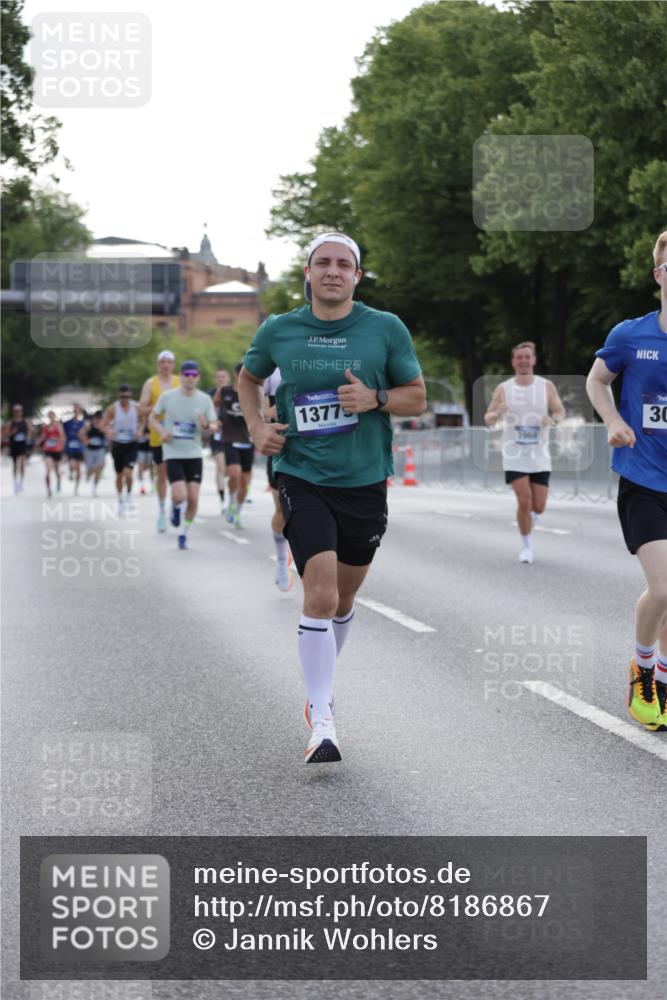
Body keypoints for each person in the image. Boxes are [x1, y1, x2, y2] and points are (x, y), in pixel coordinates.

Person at [238, 231, 426, 763]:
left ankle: (320, 685)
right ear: (308, 272)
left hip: (364, 480)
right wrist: (257, 427)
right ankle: (322, 718)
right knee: (318, 596)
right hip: (300, 473)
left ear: (357, 276)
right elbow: (247, 379)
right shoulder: (280, 329)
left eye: (344, 264)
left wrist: (376, 397)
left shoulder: (384, 329)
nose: (333, 271)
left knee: (343, 600)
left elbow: (416, 397)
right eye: (323, 262)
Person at [586, 230, 667, 732]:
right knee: (664, 588)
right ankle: (641, 669)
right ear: (659, 275)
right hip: (643, 478)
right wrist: (614, 422)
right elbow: (597, 380)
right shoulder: (631, 335)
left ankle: (662, 678)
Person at [484, 342, 565, 563]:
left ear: (534, 360)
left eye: (527, 357)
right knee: (524, 501)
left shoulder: (546, 386)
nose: (523, 361)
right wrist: (497, 414)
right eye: (519, 357)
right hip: (513, 453)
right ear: (513, 361)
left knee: (539, 506)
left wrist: (553, 419)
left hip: (539, 453)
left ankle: (530, 520)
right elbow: (488, 418)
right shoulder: (504, 388)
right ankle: (526, 545)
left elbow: (559, 411)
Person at [150, 359, 218, 550]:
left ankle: (183, 533)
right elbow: (152, 418)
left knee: (193, 498)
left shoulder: (204, 399)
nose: (190, 379)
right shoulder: (167, 396)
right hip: (173, 452)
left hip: (194, 453)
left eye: (194, 375)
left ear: (198, 378)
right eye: (186, 375)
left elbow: (214, 425)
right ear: (180, 377)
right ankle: (175, 505)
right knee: (180, 494)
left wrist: (206, 425)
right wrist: (162, 432)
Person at [139, 350, 180, 531]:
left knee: (179, 475)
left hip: (179, 435)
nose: (166, 365)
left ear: (173, 365)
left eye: (169, 362)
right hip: (158, 435)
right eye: (163, 362)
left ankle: (176, 504)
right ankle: (162, 511)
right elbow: (141, 408)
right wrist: (159, 408)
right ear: (158, 364)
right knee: (162, 474)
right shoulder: (151, 383)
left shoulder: (180, 381)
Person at [264, 367, 294, 591]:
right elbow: (263, 411)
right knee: (281, 510)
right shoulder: (271, 370)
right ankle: (282, 560)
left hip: (316, 445)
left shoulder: (316, 358)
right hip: (281, 446)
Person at [215, 363, 255, 529]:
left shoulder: (254, 392)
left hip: (248, 440)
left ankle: (237, 510)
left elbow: (263, 410)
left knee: (245, 482)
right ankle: (231, 500)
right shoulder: (225, 391)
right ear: (235, 375)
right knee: (234, 473)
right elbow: (214, 404)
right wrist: (214, 420)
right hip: (230, 438)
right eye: (241, 376)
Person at [102, 384, 139, 515]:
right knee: (119, 475)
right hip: (118, 445)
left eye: (127, 396)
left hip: (131, 444)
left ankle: (129, 496)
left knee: (128, 473)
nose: (125, 399)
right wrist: (109, 431)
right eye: (123, 396)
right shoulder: (113, 408)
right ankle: (120, 499)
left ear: (130, 395)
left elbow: (146, 419)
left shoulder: (136, 407)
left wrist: (140, 431)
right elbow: (103, 424)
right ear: (119, 395)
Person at [209, 367, 230, 512]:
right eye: (218, 377)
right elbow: (207, 411)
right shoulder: (210, 394)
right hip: (217, 436)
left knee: (232, 470)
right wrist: (214, 423)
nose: (221, 379)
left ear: (228, 378)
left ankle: (233, 496)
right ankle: (223, 501)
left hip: (234, 436)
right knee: (221, 468)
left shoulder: (234, 392)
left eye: (223, 377)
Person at [37, 411, 65, 497]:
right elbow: (43, 436)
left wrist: (57, 440)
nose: (51, 417)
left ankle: (58, 481)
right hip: (48, 450)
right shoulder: (45, 426)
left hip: (57, 450)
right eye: (49, 416)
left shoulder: (58, 426)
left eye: (52, 416)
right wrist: (38, 442)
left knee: (57, 471)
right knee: (48, 471)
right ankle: (49, 489)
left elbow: (62, 437)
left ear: (54, 416)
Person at [7, 404, 32, 493]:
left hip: (22, 445)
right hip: (14, 445)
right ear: (13, 412)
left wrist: (28, 440)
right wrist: (12, 432)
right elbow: (6, 434)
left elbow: (29, 432)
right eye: (15, 411)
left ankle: (21, 482)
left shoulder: (25, 422)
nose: (17, 413)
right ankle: (15, 483)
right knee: (15, 465)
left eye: (19, 411)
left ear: (21, 412)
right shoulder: (11, 422)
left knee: (21, 464)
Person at [81, 410, 106, 496]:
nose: (98, 420)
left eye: (100, 418)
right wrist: (85, 441)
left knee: (98, 468)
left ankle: (94, 488)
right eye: (96, 418)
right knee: (90, 469)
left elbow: (108, 435)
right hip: (89, 450)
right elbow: (81, 434)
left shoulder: (103, 426)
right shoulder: (88, 426)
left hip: (100, 449)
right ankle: (88, 473)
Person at [62, 403, 86, 495]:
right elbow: (64, 436)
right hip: (70, 448)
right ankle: (71, 472)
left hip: (79, 449)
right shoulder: (67, 423)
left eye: (78, 410)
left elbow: (85, 436)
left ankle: (76, 489)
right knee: (72, 465)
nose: (76, 412)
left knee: (79, 469)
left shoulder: (82, 424)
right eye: (75, 410)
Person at [136, 417, 154, 495]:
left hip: (151, 449)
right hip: (141, 449)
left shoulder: (152, 423)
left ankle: (152, 484)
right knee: (141, 467)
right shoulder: (139, 424)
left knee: (151, 467)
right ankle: (142, 486)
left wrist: (149, 436)